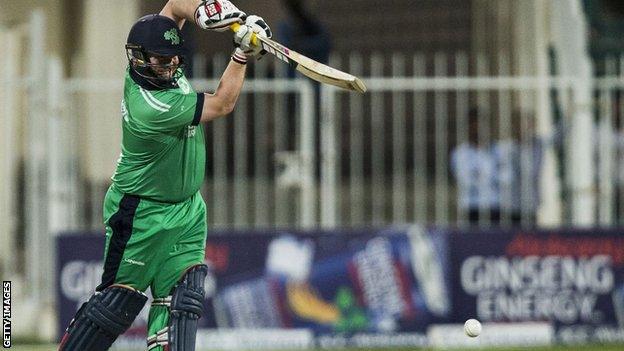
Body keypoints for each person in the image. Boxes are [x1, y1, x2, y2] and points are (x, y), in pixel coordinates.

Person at [57, 1, 272, 350]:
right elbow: (222, 104)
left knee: (182, 302)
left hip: (187, 208)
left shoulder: (159, 68)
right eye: (161, 58)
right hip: (140, 212)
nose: (171, 64)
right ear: (140, 58)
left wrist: (205, 11)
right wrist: (242, 53)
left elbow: (173, 5)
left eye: (174, 56)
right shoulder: (151, 106)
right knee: (117, 304)